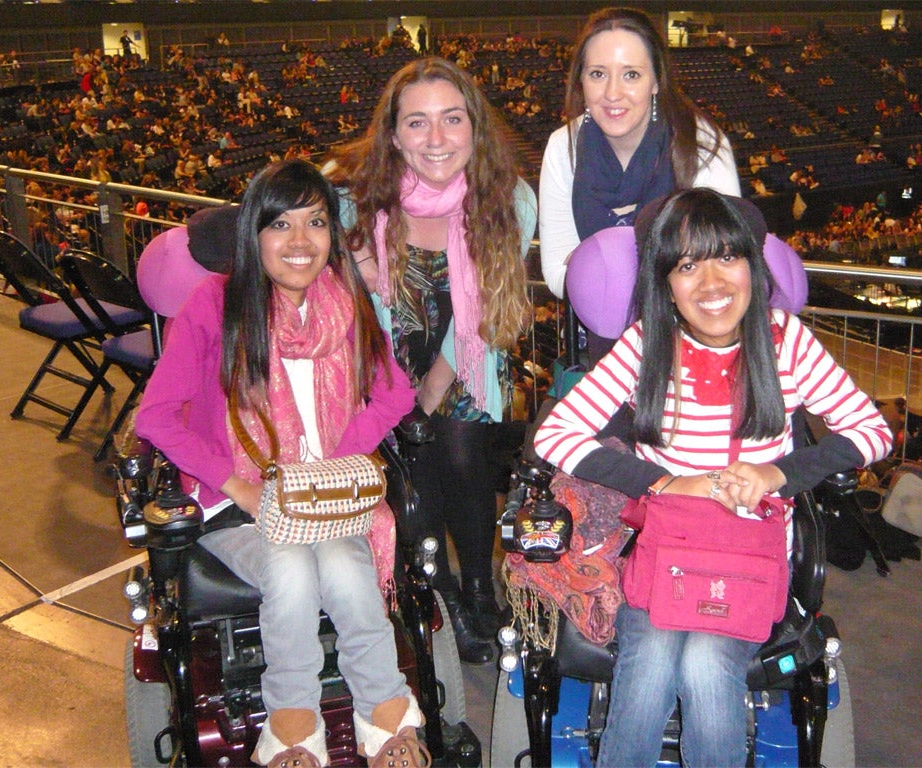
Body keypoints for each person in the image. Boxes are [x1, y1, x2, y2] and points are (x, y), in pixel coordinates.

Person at [533, 189, 892, 767]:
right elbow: (555, 435)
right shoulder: (648, 343)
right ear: (666, 282)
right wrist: (663, 481)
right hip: (667, 548)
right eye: (687, 264)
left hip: (749, 554)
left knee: (704, 664)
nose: (710, 282)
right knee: (648, 666)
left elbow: (871, 431)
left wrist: (778, 473)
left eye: (726, 257)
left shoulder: (785, 342)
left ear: (753, 263)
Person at [134, 160, 427, 768]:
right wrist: (238, 485)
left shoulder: (348, 304)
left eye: (315, 222)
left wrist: (340, 456)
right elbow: (156, 416)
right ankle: (293, 728)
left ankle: (386, 718)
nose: (299, 242)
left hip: (324, 501)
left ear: (331, 234)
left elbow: (396, 393)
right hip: (239, 506)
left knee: (347, 571)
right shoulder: (215, 304)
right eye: (280, 224)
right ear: (255, 235)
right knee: (291, 570)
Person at [327, 57, 536, 665]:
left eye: (452, 119)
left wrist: (431, 391)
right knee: (411, 478)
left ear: (475, 126)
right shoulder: (355, 204)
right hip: (380, 372)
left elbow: (490, 310)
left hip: (467, 361)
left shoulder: (509, 200)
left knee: (463, 455)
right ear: (392, 135)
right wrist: (358, 258)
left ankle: (476, 589)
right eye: (417, 123)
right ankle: (436, 585)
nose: (437, 139)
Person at [538, 6, 739, 363]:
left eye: (631, 74)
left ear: (656, 81)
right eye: (598, 74)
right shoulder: (562, 147)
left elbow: (722, 266)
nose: (613, 93)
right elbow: (556, 273)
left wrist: (596, 263)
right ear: (580, 80)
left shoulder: (702, 144)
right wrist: (670, 265)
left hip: (693, 347)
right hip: (599, 352)